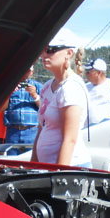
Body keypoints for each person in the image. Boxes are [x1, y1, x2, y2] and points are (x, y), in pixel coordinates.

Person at [31, 31, 92, 168]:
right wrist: (32, 168)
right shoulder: (47, 86)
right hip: (48, 168)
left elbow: (70, 139)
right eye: (43, 50)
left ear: (69, 53)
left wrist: (58, 175)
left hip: (69, 170)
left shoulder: (71, 88)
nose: (44, 55)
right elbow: (41, 129)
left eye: (50, 50)